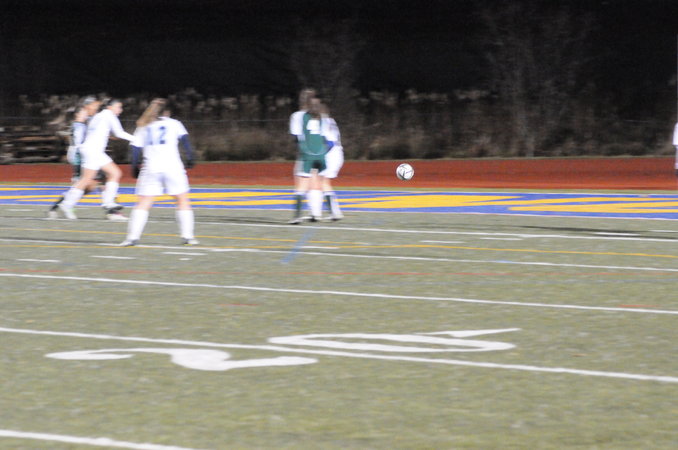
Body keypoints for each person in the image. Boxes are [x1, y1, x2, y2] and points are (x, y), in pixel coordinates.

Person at [119, 98, 198, 246]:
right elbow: (185, 142)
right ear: (167, 112)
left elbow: (135, 149)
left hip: (151, 168)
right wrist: (190, 158)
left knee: (144, 202)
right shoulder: (175, 123)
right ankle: (188, 237)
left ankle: (132, 238)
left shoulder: (143, 126)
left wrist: (134, 167)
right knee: (182, 200)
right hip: (173, 167)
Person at [58, 99, 134, 221]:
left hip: (94, 150)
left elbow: (101, 132)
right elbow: (119, 133)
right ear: (110, 107)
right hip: (93, 151)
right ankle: (67, 204)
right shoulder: (109, 115)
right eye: (118, 107)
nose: (120, 110)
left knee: (115, 173)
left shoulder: (99, 116)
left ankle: (109, 203)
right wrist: (137, 139)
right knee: (87, 179)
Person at [288, 90, 328, 223]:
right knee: (316, 183)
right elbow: (324, 137)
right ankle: (316, 213)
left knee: (301, 184)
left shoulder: (297, 116)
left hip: (306, 154)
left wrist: (301, 150)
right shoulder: (321, 115)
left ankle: (297, 215)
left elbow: (296, 137)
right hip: (320, 153)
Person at [318, 104, 344, 220]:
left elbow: (329, 143)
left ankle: (333, 212)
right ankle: (333, 211)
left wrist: (319, 154)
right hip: (338, 154)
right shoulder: (331, 121)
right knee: (322, 182)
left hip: (331, 155)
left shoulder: (323, 122)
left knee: (322, 182)